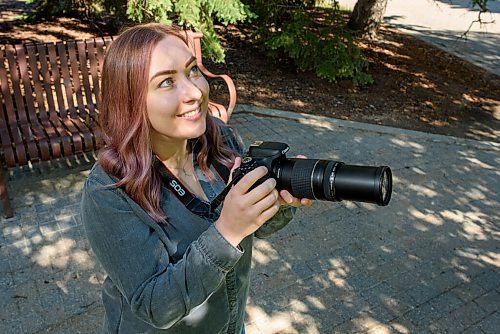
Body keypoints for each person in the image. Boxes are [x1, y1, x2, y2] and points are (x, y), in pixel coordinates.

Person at [81, 23, 311, 334]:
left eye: (192, 71)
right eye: (166, 83)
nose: (194, 92)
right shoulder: (109, 190)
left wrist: (276, 204)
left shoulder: (221, 141)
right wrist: (227, 230)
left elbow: (254, 228)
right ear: (131, 101)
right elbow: (155, 306)